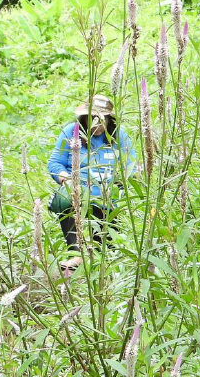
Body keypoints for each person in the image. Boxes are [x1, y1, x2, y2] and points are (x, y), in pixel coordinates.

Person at [46, 94, 136, 272]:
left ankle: (101, 256)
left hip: (106, 194)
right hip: (78, 190)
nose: (97, 123)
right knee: (66, 199)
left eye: (102, 119)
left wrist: (117, 185)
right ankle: (75, 253)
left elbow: (130, 165)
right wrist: (68, 180)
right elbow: (55, 163)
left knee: (106, 247)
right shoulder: (71, 131)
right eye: (92, 118)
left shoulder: (119, 135)